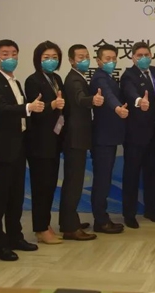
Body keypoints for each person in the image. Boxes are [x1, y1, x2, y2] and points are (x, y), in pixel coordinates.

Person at [0, 39, 42, 261]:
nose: (10, 58)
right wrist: (28, 107)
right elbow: (1, 109)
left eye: (14, 53)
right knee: (0, 199)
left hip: (19, 148)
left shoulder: (16, 82)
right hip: (3, 150)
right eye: (5, 54)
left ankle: (15, 237)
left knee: (16, 197)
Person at [59, 44, 103, 240]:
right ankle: (70, 228)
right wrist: (92, 100)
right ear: (71, 60)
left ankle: (69, 221)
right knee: (74, 183)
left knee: (73, 182)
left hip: (78, 137)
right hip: (75, 138)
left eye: (86, 56)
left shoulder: (78, 76)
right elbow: (79, 98)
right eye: (80, 57)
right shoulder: (74, 79)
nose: (84, 60)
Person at [24, 40, 66, 245]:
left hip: (54, 140)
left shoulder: (56, 78)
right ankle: (40, 228)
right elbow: (35, 110)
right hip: (39, 143)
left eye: (54, 57)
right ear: (38, 59)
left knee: (49, 185)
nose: (51, 61)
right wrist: (52, 105)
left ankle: (46, 224)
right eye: (46, 57)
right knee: (41, 187)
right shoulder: (33, 81)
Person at [120, 41, 155, 228]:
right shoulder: (128, 75)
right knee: (131, 174)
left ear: (151, 56)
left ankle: (150, 210)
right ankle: (129, 214)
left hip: (153, 132)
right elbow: (130, 93)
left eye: (146, 54)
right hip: (135, 133)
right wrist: (139, 101)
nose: (143, 58)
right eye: (139, 55)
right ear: (132, 57)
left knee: (151, 172)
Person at [89, 43, 127, 234]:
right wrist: (117, 108)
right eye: (107, 59)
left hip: (109, 137)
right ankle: (101, 220)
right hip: (102, 138)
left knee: (104, 179)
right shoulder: (99, 77)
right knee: (102, 180)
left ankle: (101, 218)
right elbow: (108, 95)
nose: (111, 62)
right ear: (98, 61)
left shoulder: (108, 76)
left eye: (114, 59)